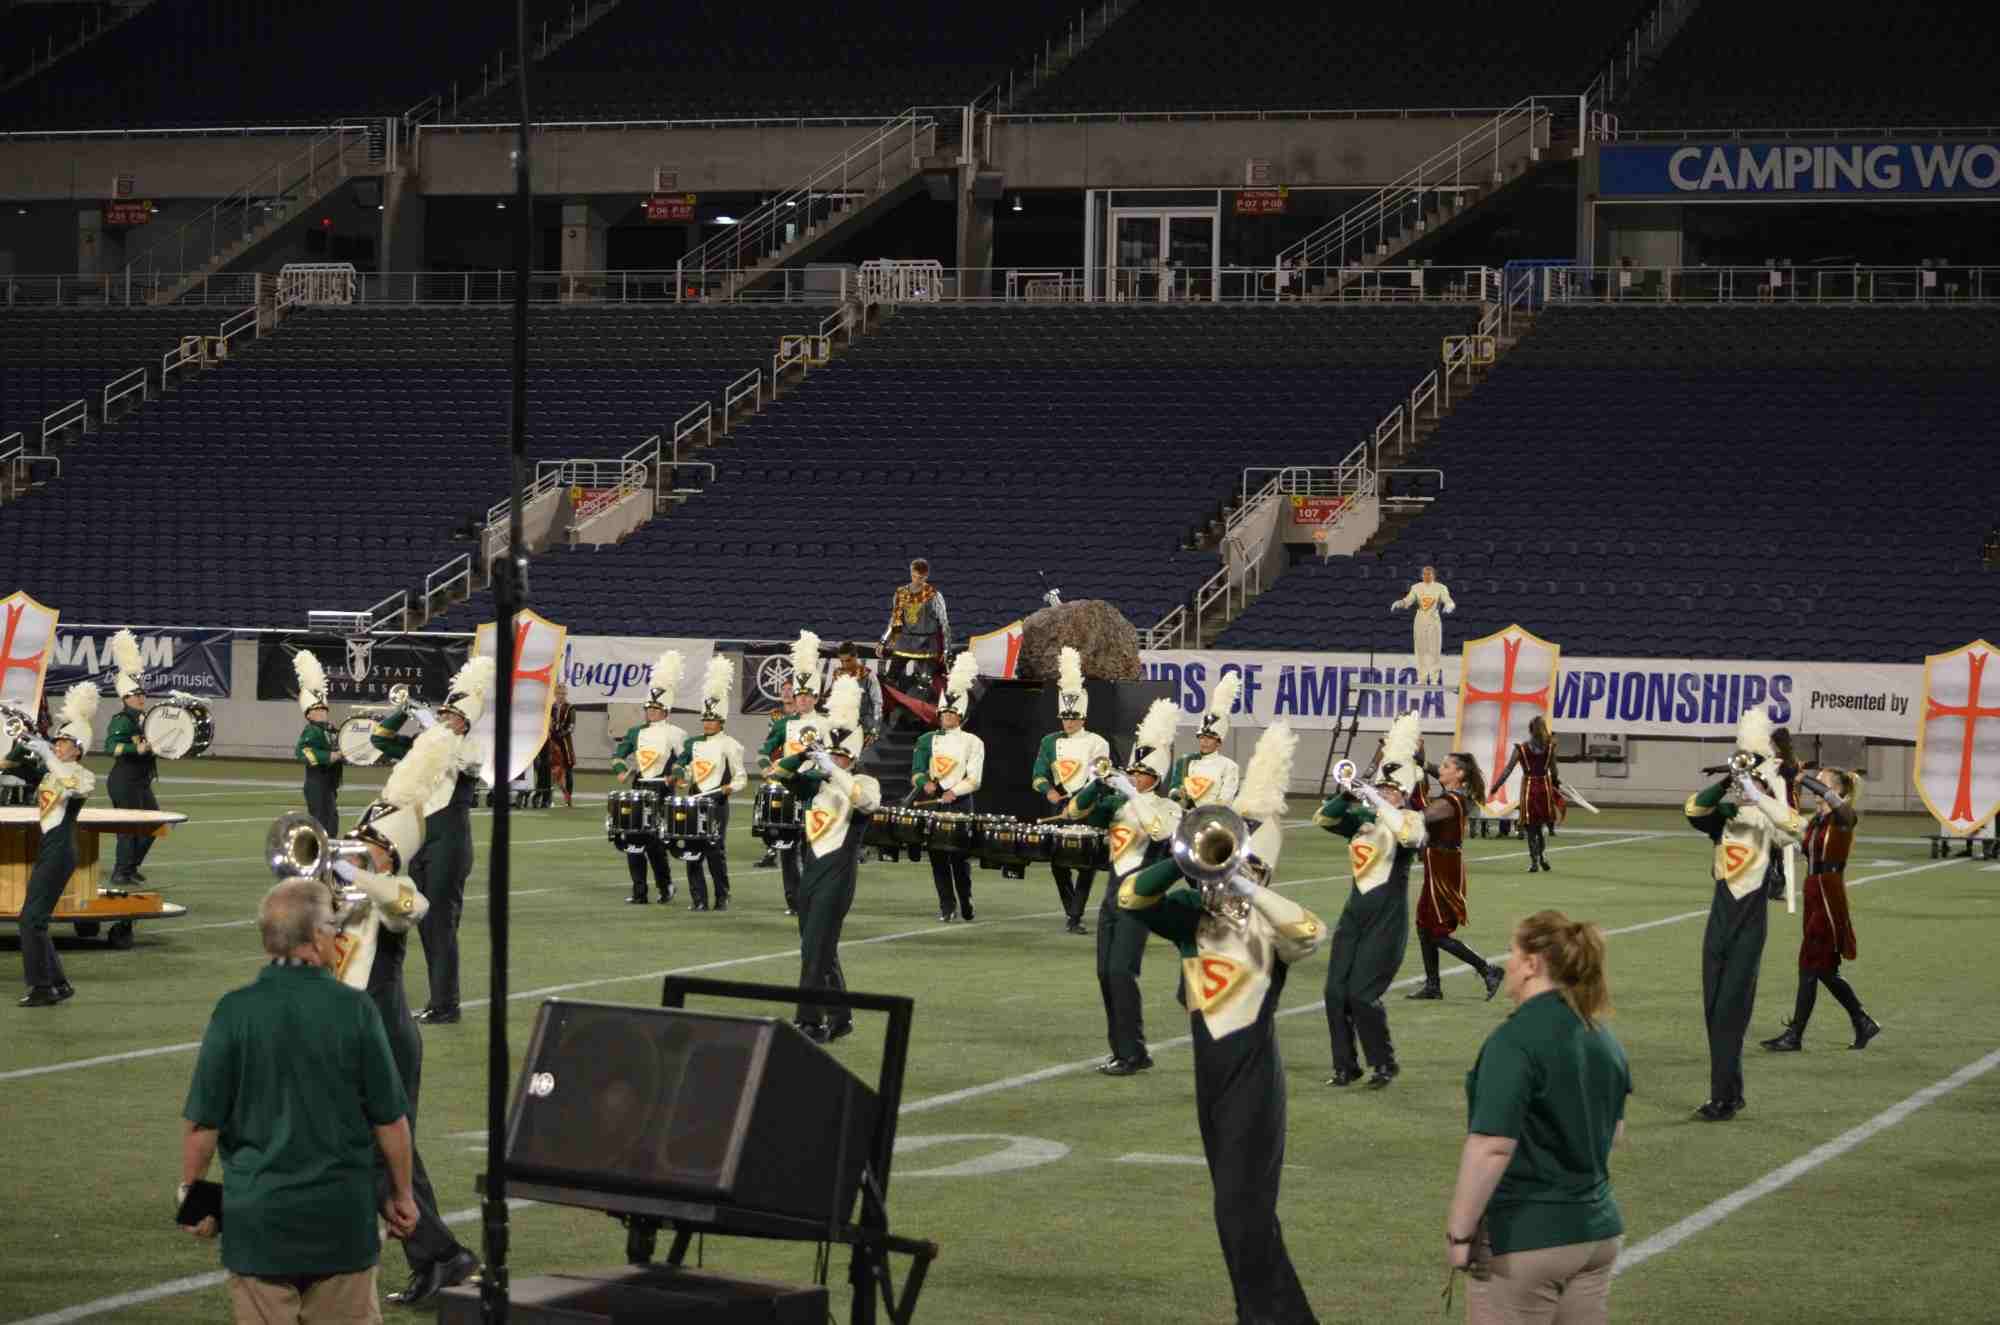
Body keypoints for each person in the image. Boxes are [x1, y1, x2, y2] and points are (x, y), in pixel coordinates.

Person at [1125, 723, 1324, 1322]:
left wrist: (1243, 882)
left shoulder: (1270, 931)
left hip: (1255, 1087)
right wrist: (1178, 859)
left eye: (1249, 867)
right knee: (1238, 1217)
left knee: (1242, 1216)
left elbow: (1310, 931)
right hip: (1210, 1085)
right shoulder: (1192, 917)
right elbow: (1132, 898)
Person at [180, 878, 421, 1324]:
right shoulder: (355, 1009)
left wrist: (191, 1195)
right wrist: (402, 1195)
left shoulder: (233, 1011)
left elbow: (202, 1125)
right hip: (341, 1223)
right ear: (315, 937)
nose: (337, 934)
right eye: (332, 926)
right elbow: (390, 1120)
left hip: (258, 1227)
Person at [337, 724, 482, 1306]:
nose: (355, 848)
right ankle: (435, 1256)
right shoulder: (341, 889)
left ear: (390, 852)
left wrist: (360, 873)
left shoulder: (394, 889)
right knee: (377, 1154)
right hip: (350, 1033)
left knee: (384, 1153)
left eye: (367, 843)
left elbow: (409, 907)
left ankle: (442, 1256)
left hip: (385, 1039)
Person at [1446, 910, 1629, 1325]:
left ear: (1532, 964)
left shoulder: (1515, 1040)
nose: (1508, 964)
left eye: (1512, 953)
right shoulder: (1603, 1037)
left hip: (1526, 1241)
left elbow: (1492, 1147)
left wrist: (1459, 1233)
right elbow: (1614, 1133)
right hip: (1598, 1235)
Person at [1684, 705, 1806, 1121]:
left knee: (1730, 1011)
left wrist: (1761, 795)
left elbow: (1797, 829)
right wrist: (1727, 781)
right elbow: (1693, 810)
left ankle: (1723, 1097)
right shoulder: (1725, 818)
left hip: (1749, 921)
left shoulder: (1767, 819)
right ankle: (1730, 1093)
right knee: (1713, 1009)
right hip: (1719, 918)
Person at [1065, 697, 1184, 1076]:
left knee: (1121, 972)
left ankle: (1133, 1052)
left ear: (1157, 777)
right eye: (1132, 770)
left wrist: (1133, 796)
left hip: (1142, 897)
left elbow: (1159, 832)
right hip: (1112, 894)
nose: (1134, 776)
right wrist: (1097, 784)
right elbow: (1075, 812)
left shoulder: (1169, 808)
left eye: (1142, 773)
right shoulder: (1117, 804)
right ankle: (1124, 1051)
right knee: (1105, 974)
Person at [373, 657, 493, 1024]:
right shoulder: (423, 747)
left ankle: (446, 1005)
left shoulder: (470, 748)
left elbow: (466, 762)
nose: (444, 720)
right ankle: (438, 999)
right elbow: (379, 739)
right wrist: (403, 710)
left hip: (449, 845)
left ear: (464, 722)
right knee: (424, 922)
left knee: (440, 924)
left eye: (450, 716)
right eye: (442, 714)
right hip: (421, 842)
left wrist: (434, 728)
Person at [1315, 712, 1427, 1087]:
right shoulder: (1362, 820)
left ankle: (1384, 1063)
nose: (1385, 792)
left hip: (1387, 920)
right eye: (1382, 787)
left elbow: (1410, 838)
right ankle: (1345, 1065)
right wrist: (1347, 794)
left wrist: (1381, 802)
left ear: (1404, 793)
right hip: (1354, 916)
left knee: (1363, 995)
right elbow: (1323, 819)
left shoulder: (1411, 818)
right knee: (1334, 992)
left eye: (1393, 789)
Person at [771, 674, 880, 1043]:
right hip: (812, 873)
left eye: (840, 755)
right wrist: (805, 754)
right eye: (831, 754)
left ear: (852, 757)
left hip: (838, 876)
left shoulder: (865, 782)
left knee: (815, 952)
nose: (834, 759)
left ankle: (810, 1021)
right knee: (819, 949)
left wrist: (834, 770)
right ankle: (840, 1016)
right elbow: (780, 772)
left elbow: (866, 803)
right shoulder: (815, 784)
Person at [1761, 767, 1881, 1053]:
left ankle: (1796, 1035)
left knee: (1810, 964)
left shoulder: (1845, 816)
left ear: (1837, 790)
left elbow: (1830, 800)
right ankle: (1862, 1021)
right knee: (1823, 968)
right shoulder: (1818, 821)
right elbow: (1799, 844)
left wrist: (1802, 778)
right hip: (1814, 890)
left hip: (1829, 893)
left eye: (1822, 783)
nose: (1815, 788)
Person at [15, 682, 97, 1007]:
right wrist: (21, 741)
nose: (58, 746)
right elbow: (18, 767)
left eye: (65, 743)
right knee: (34, 919)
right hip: (51, 847)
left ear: (78, 750)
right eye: (58, 741)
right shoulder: (54, 769)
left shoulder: (82, 774)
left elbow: (70, 784)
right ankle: (57, 984)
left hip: (61, 849)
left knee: (31, 920)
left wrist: (49, 755)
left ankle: (42, 987)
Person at [1408, 751, 1505, 1001]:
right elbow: (1434, 773)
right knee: (1423, 925)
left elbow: (1421, 817)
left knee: (1437, 932)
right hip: (1437, 864)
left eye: (1446, 766)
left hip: (1444, 868)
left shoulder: (1451, 801)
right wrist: (1419, 761)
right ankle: (1433, 986)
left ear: (1459, 774)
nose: (1440, 769)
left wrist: (1389, 802)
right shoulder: (1453, 792)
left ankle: (1488, 969)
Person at [1031, 646, 1112, 934]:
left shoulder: (1098, 743)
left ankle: (1075, 917)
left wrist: (1081, 801)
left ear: (1083, 718)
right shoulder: (1049, 741)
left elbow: (1101, 779)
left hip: (1088, 808)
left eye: (1073, 717)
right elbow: (1038, 775)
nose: (1068, 721)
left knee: (1086, 865)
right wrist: (1049, 791)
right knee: (1058, 863)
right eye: (1064, 717)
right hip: (1059, 806)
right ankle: (1071, 910)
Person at [609, 649, 687, 906]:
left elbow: (685, 761)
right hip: (639, 787)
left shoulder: (676, 733)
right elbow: (618, 755)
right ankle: (639, 891)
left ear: (666, 710)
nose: (651, 711)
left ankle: (665, 887)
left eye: (656, 708)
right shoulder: (635, 732)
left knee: (655, 843)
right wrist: (621, 771)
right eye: (649, 707)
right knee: (633, 840)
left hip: (662, 790)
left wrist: (677, 777)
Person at [913, 651, 984, 922]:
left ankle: (965, 899)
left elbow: (974, 778)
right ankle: (947, 906)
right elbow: (917, 772)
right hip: (935, 803)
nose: (947, 716)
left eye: (952, 713)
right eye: (944, 712)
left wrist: (955, 791)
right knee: (937, 857)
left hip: (960, 802)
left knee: (959, 858)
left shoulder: (973, 742)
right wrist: (926, 784)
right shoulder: (926, 740)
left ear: (960, 715)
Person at [758, 631, 825, 914]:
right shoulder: (783, 724)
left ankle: (813, 899)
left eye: (808, 696)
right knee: (786, 848)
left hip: (816, 791)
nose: (803, 700)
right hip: (787, 789)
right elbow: (764, 751)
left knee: (812, 850)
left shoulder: (827, 723)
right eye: (799, 696)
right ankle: (794, 902)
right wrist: (766, 767)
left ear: (815, 697)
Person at [677, 657, 748, 912]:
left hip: (717, 803)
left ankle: (722, 896)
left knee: (715, 850)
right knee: (692, 849)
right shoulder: (693, 743)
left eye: (712, 719)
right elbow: (690, 770)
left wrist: (730, 788)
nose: (707, 723)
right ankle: (698, 899)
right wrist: (683, 777)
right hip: (695, 802)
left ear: (721, 721)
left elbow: (741, 777)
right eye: (705, 719)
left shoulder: (731, 745)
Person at [103, 627, 159, 887]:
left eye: (142, 693)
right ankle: (120, 872)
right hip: (124, 780)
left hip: (141, 780)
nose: (141, 697)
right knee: (128, 828)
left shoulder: (145, 718)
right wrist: (134, 749)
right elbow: (110, 746)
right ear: (125, 698)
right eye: (136, 695)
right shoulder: (123, 720)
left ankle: (131, 867)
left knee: (154, 824)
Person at [1492, 714, 1563, 873]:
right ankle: (1542, 855)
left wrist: (1496, 786)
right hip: (1544, 788)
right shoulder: (1550, 748)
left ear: (1530, 730)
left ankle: (1534, 862)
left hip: (1529, 789)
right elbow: (1554, 772)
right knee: (1540, 827)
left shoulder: (1522, 749)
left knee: (1531, 827)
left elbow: (1508, 770)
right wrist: (1556, 783)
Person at [1167, 673, 1242, 811]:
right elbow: (1172, 791)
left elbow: (1226, 799)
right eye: (1202, 737)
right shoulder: (1186, 761)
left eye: (1210, 738)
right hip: (1189, 815)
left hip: (1216, 815)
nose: (1204, 741)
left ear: (1219, 743)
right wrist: (1178, 793)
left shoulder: (1229, 766)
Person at [880, 557, 950, 697]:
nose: (917, 580)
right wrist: (883, 640)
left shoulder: (934, 595)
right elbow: (895, 619)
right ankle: (890, 707)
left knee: (924, 682)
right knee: (890, 680)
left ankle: (918, 709)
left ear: (926, 576)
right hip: (904, 641)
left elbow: (944, 623)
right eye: (914, 576)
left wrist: (947, 648)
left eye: (920, 577)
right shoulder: (901, 593)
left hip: (926, 644)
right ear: (911, 573)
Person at [292, 650, 343, 835]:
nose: (322, 713)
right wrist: (329, 756)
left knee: (332, 821)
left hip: (329, 783)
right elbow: (301, 751)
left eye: (323, 710)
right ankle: (320, 850)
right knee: (322, 822)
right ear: (309, 715)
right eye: (317, 710)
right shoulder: (312, 730)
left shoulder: (331, 730)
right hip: (317, 783)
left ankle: (329, 848)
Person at [1390, 565, 1456, 687]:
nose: (1426, 576)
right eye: (1424, 574)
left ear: (1433, 575)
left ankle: (1434, 679)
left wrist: (1449, 606)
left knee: (1434, 651)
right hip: (1420, 619)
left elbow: (1448, 600)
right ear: (1421, 575)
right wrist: (1400, 603)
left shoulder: (1441, 587)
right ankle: (1422, 678)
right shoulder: (1416, 587)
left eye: (1429, 574)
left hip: (1434, 619)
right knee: (1420, 650)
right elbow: (1408, 600)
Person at [545, 682, 577, 808]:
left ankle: (568, 798)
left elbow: (572, 725)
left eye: (563, 694)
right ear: (555, 694)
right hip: (552, 742)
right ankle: (548, 798)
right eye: (559, 694)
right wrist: (550, 732)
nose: (561, 696)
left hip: (565, 742)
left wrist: (563, 733)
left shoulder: (570, 708)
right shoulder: (551, 707)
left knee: (568, 770)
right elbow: (547, 723)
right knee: (551, 771)